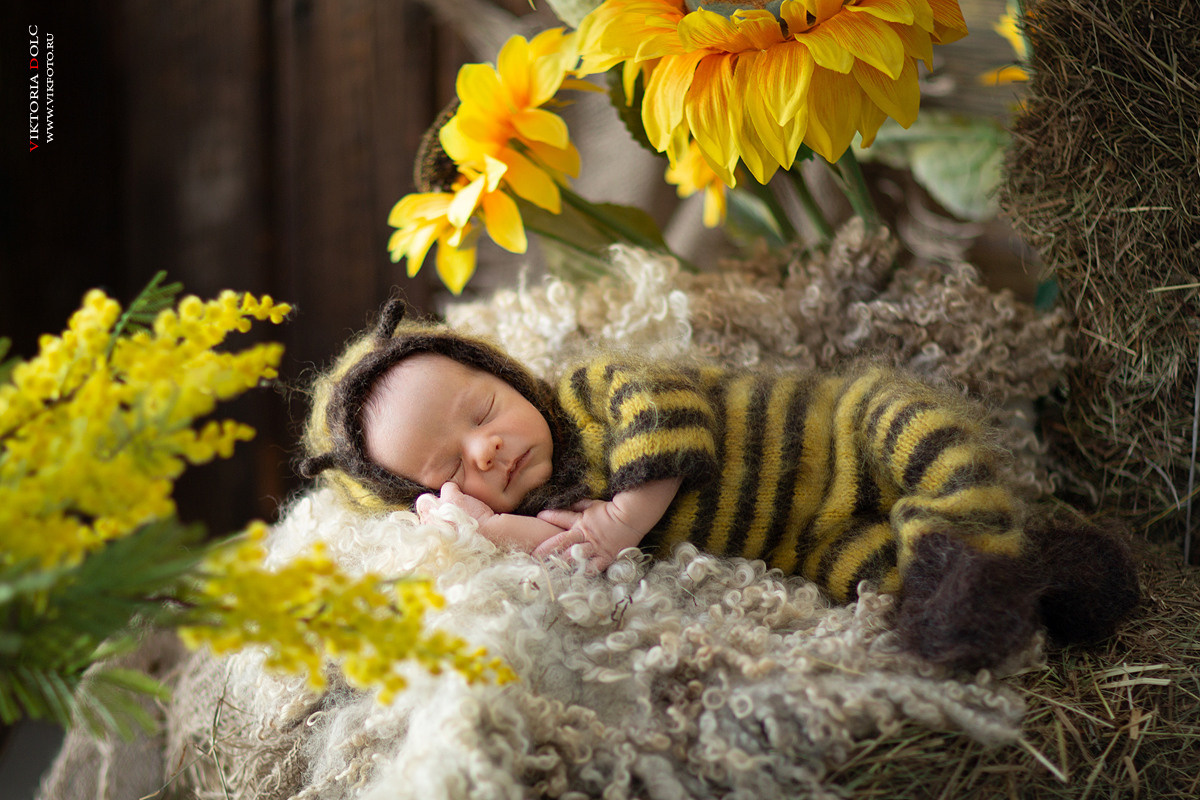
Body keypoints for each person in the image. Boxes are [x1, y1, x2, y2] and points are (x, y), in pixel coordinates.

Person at [300, 298, 1139, 670]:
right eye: (451, 471)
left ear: (508, 375)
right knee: (878, 586)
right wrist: (481, 530)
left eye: (483, 410)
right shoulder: (548, 510)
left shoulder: (592, 392)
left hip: (839, 437)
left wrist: (623, 519)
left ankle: (973, 543)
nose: (485, 451)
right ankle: (1016, 583)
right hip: (807, 541)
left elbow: (669, 413)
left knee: (917, 430)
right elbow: (566, 553)